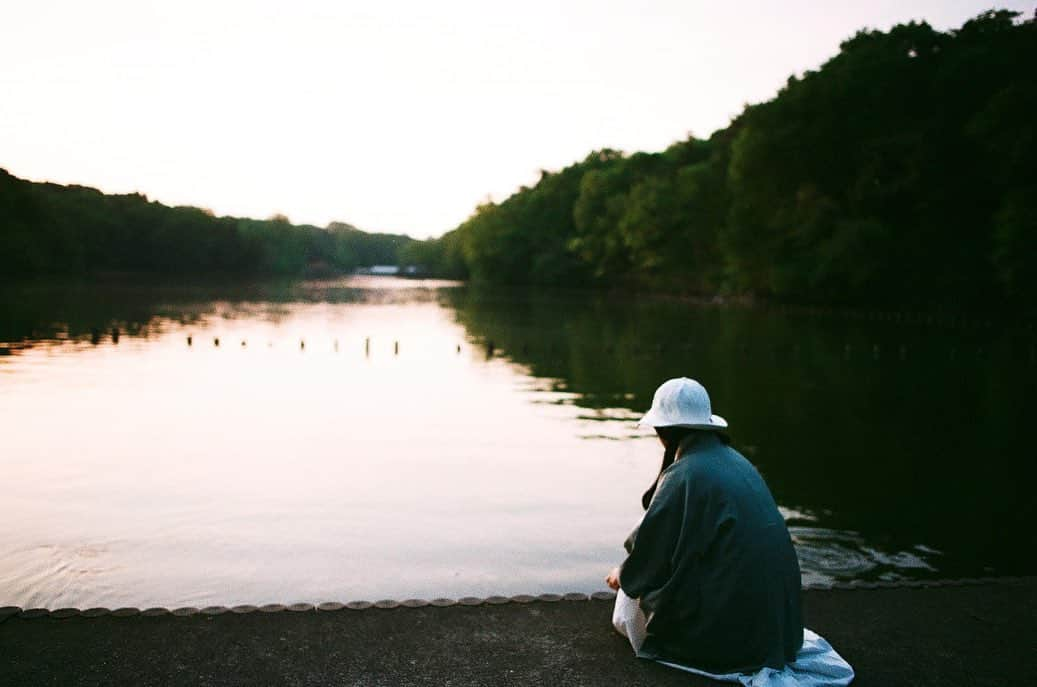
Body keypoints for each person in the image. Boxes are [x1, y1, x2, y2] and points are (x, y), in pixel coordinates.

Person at [606, 378, 853, 684]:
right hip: (779, 632)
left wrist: (622, 574)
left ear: (662, 431)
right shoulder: (737, 462)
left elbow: (648, 558)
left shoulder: (684, 474)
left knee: (627, 608)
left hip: (734, 643)